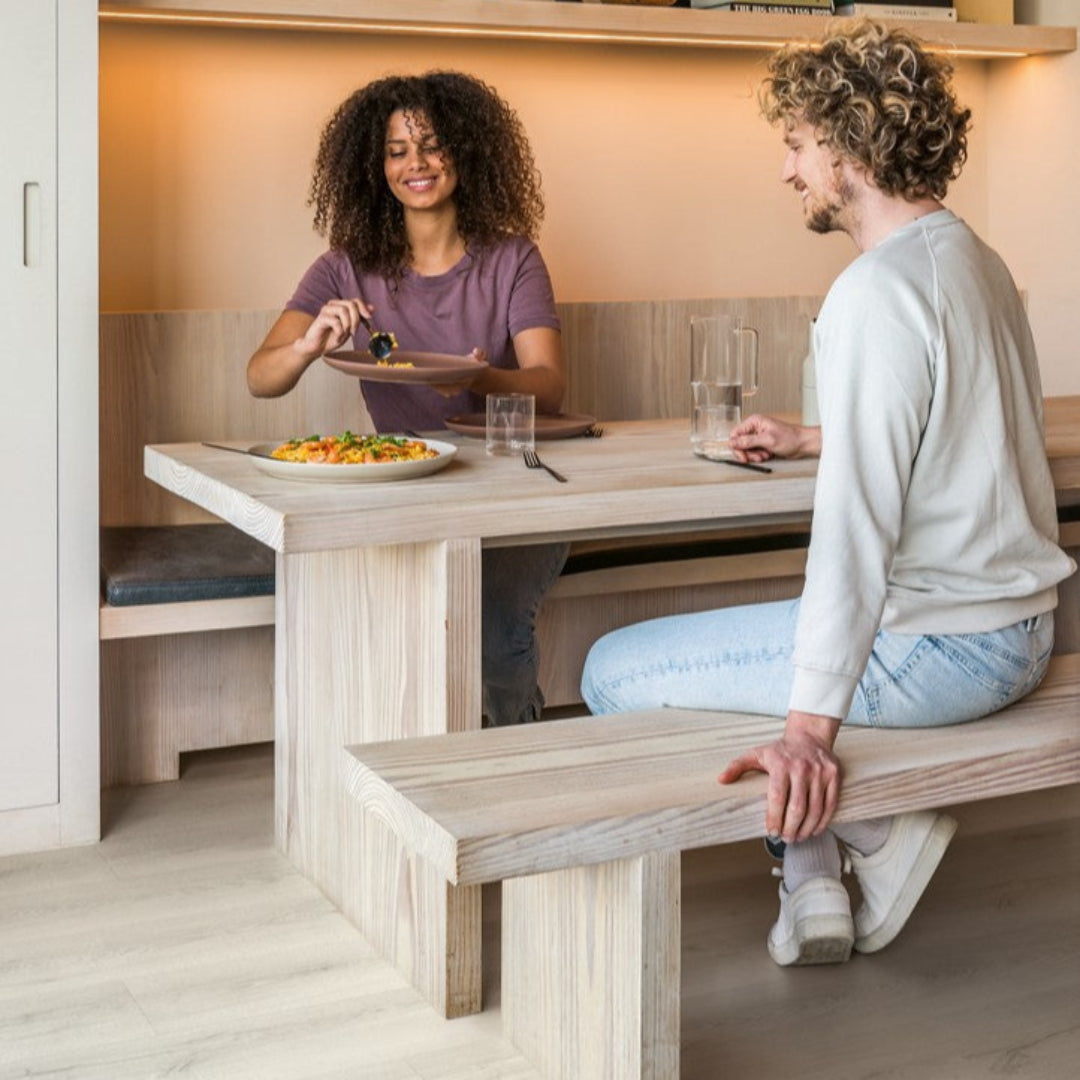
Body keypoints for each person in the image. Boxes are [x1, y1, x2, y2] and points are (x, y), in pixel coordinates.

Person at [580, 21, 1076, 967]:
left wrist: (809, 731)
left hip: (943, 649)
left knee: (610, 669)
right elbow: (963, 431)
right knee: (773, 650)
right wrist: (816, 436)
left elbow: (854, 535)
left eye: (797, 144)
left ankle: (872, 834)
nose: (788, 170)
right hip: (1022, 630)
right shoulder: (973, 259)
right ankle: (811, 868)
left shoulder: (873, 290)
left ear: (849, 144)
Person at [248, 71, 569, 727]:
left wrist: (481, 382)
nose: (415, 164)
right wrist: (309, 344)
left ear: (466, 152)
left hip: (516, 483)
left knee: (495, 611)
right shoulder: (343, 267)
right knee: (384, 608)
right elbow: (261, 375)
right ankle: (412, 755)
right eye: (397, 149)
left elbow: (548, 383)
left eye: (431, 145)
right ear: (376, 164)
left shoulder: (513, 259)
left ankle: (510, 745)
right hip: (405, 484)